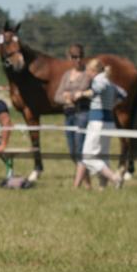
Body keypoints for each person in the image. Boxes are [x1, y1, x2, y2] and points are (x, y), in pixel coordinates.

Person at [71, 58, 125, 189]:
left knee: (88, 157)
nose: (87, 73)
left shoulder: (99, 80)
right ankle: (102, 188)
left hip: (97, 121)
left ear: (93, 70)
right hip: (108, 121)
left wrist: (81, 94)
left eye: (88, 71)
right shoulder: (109, 81)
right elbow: (123, 94)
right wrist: (111, 105)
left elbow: (96, 90)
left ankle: (114, 178)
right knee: (102, 155)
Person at [53, 43, 92, 178]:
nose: (78, 60)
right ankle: (85, 180)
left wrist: (69, 95)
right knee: (72, 151)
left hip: (82, 114)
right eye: (74, 57)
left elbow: (81, 90)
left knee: (80, 148)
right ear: (69, 57)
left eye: (80, 56)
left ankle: (79, 183)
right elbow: (57, 96)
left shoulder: (87, 74)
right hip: (68, 114)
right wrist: (67, 98)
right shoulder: (66, 75)